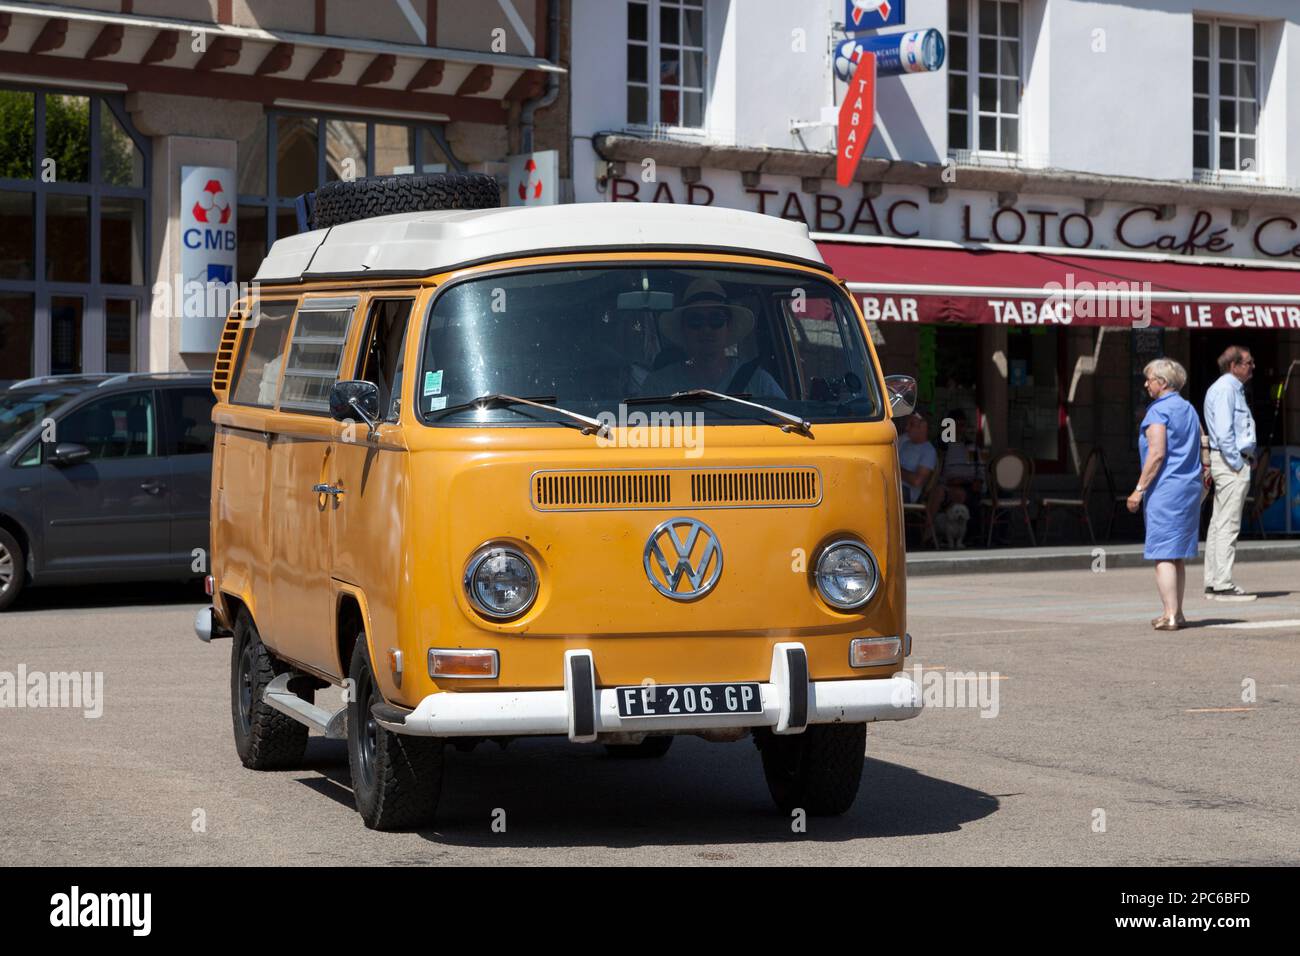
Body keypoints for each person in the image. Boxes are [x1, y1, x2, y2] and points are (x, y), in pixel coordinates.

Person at [1127, 358, 1207, 630]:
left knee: (1162, 553)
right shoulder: (1189, 409)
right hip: (1189, 487)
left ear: (1162, 383)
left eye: (1149, 379)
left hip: (1166, 488)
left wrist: (1139, 489)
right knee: (1177, 554)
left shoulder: (1157, 412)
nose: (1146, 384)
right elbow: (1202, 443)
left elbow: (1157, 453)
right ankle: (1178, 612)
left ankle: (1169, 614)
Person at [642, 278, 785, 399]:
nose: (706, 329)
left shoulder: (759, 382)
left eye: (716, 320)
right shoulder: (658, 387)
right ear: (683, 330)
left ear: (728, 327)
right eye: (695, 321)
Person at [1202, 345, 1258, 601]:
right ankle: (1222, 583)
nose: (1252, 367)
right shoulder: (1226, 389)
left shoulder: (1229, 388)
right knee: (1228, 524)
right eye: (1248, 362)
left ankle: (1214, 581)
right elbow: (1225, 434)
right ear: (1234, 366)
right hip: (1229, 463)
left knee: (1219, 522)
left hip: (1228, 461)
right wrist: (1238, 463)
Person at [897, 412, 937, 504]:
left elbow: (917, 481)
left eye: (911, 425)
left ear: (923, 427)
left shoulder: (929, 451)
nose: (907, 428)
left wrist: (895, 470)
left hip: (905, 492)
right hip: (891, 485)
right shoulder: (904, 441)